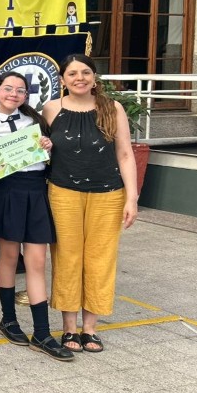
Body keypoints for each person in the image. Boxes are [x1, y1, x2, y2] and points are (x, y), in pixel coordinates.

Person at [41, 54, 138, 354]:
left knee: (100, 259)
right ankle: (69, 327)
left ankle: (90, 328)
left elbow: (125, 154)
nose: (79, 78)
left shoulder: (112, 108)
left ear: (94, 77)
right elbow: (41, 153)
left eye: (85, 72)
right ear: (62, 80)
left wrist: (132, 197)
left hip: (108, 194)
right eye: (72, 74)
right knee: (66, 258)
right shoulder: (51, 109)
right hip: (63, 193)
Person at [0, 73, 72, 361]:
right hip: (7, 191)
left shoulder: (34, 121)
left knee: (37, 262)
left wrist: (48, 147)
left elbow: (49, 160)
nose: (13, 94)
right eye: (8, 89)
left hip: (35, 190)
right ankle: (9, 320)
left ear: (26, 96)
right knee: (8, 258)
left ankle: (42, 332)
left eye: (20, 90)